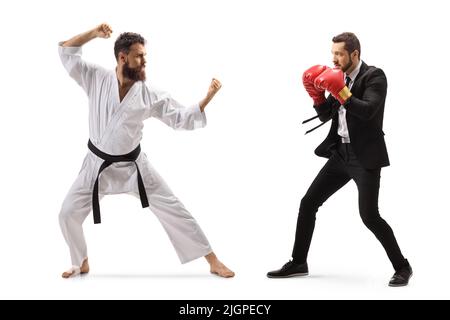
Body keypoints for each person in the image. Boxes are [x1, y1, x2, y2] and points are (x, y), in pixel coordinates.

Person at [58, 23, 234, 279]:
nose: (144, 61)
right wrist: (94, 34)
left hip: (134, 168)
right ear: (122, 57)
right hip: (97, 166)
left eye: (145, 56)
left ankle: (213, 260)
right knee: (66, 214)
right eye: (139, 56)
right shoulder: (95, 78)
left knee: (174, 208)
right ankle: (81, 260)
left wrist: (206, 99)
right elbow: (67, 51)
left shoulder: (148, 94)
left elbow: (181, 118)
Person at [267, 32, 412, 287]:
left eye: (339, 54)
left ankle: (403, 267)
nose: (333, 59)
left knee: (369, 216)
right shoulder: (338, 76)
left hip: (364, 157)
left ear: (354, 54)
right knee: (308, 202)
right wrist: (316, 96)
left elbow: (368, 111)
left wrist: (342, 91)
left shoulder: (374, 76)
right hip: (340, 154)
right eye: (332, 53)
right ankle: (299, 262)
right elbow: (326, 116)